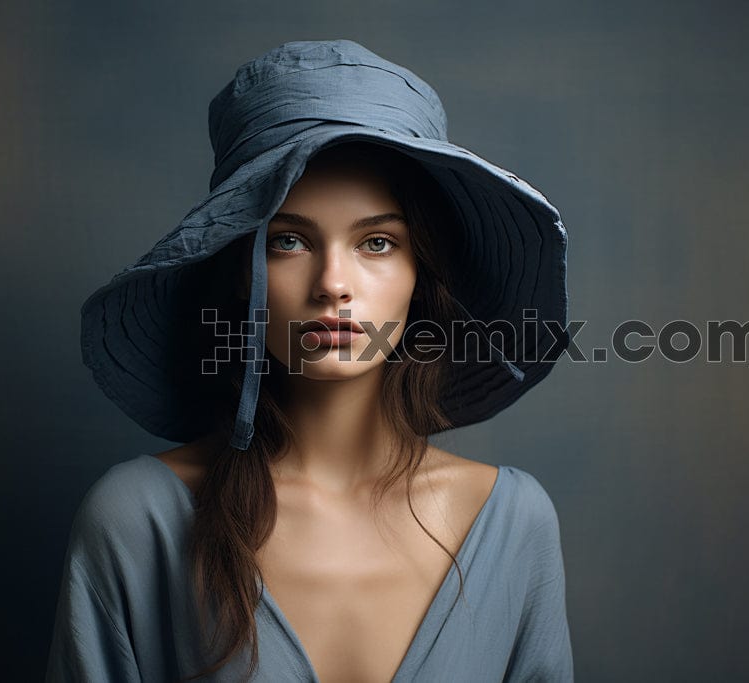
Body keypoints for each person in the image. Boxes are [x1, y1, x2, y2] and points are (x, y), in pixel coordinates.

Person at [46, 40, 573, 682]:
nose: (332, 283)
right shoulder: (139, 517)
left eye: (377, 242)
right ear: (240, 271)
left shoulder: (512, 521)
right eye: (288, 241)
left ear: (420, 275)